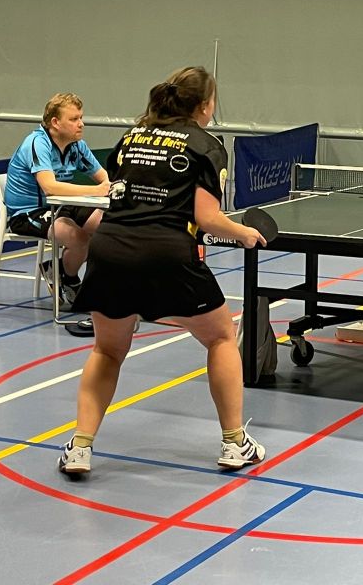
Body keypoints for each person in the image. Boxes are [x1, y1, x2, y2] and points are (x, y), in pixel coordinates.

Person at [58, 66, 267, 475]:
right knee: (221, 337)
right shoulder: (207, 146)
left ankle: (80, 447)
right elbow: (207, 218)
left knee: (107, 351)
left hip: (111, 250)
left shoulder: (132, 137)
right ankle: (234, 443)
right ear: (204, 105)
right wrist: (243, 233)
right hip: (167, 254)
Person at [4, 93, 110, 331]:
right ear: (55, 122)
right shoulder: (37, 143)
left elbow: (104, 179)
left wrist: (110, 188)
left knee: (106, 227)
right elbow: (50, 187)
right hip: (28, 212)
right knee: (78, 237)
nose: (81, 124)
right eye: (74, 119)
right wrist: (96, 191)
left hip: (61, 206)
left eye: (81, 118)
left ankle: (59, 270)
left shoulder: (77, 146)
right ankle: (68, 279)